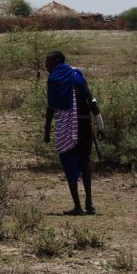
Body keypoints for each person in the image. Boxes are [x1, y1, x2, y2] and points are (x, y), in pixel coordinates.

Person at [44, 51, 104, 215]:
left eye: (48, 61)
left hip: (65, 128)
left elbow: (51, 107)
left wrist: (47, 130)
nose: (46, 65)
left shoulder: (54, 80)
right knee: (85, 163)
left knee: (69, 162)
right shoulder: (77, 76)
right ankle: (89, 203)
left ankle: (78, 206)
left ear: (57, 61)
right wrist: (100, 125)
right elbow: (92, 100)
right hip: (84, 125)